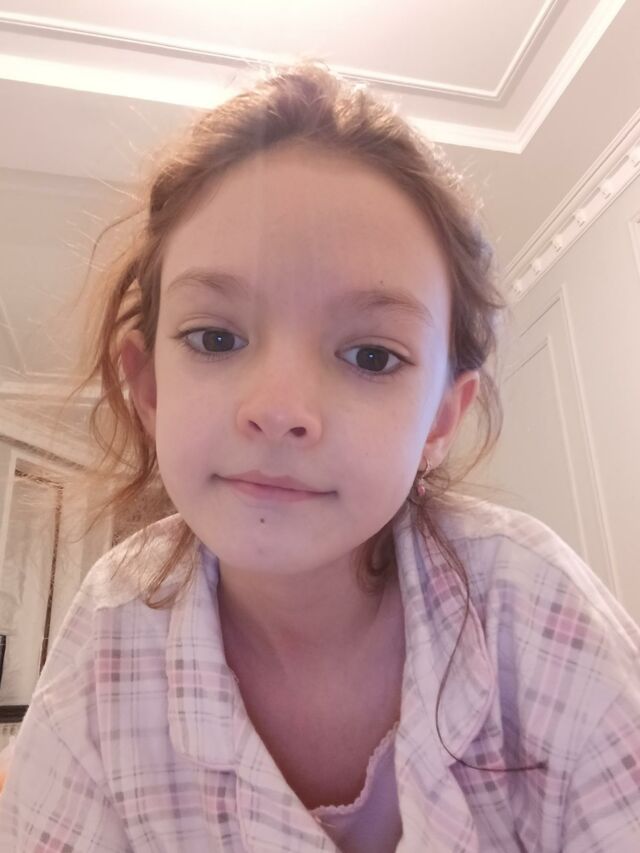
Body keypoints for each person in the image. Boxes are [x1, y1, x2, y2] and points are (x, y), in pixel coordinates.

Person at [0, 59, 639, 853]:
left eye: (371, 356)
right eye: (216, 338)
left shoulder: (530, 604)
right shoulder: (111, 636)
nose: (278, 409)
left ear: (441, 416)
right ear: (149, 388)